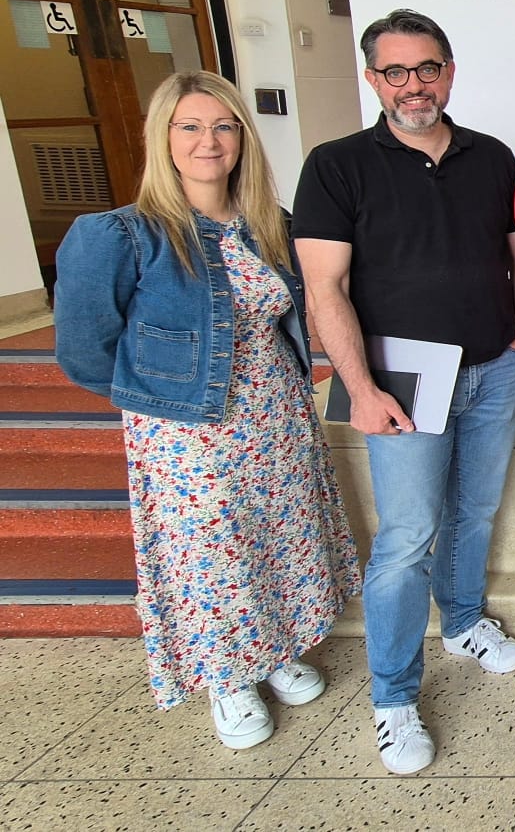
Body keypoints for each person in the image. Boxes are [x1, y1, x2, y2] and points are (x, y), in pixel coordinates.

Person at [54, 71, 359, 751]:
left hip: (274, 413)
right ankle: (227, 678)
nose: (208, 141)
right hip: (189, 432)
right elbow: (84, 347)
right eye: (189, 127)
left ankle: (274, 653)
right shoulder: (125, 235)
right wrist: (160, 405)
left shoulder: (267, 227)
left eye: (223, 126)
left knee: (277, 535)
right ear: (162, 138)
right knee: (208, 557)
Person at [293, 9, 515, 775]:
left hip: (492, 364)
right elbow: (323, 289)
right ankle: (394, 698)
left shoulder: (492, 156)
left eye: (426, 68)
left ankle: (463, 620)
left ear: (449, 72)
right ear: (372, 79)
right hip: (398, 374)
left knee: (475, 510)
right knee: (404, 540)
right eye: (394, 71)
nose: (412, 85)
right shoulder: (337, 165)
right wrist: (357, 388)